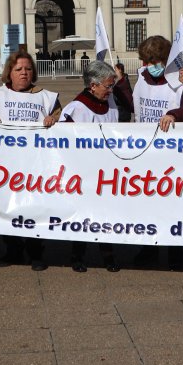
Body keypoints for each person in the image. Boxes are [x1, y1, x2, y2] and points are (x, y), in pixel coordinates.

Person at [131, 35, 183, 271]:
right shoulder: (140, 80)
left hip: (173, 152)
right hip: (148, 151)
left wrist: (174, 113)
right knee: (148, 204)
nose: (151, 65)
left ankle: (175, 251)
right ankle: (149, 247)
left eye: (155, 60)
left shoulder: (177, 81)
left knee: (173, 203)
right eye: (147, 60)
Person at [0, 50, 61, 270]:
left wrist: (53, 119)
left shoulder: (47, 97)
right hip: (6, 166)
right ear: (10, 72)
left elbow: (62, 121)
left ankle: (36, 252)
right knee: (8, 208)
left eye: (28, 69)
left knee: (34, 208)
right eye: (18, 69)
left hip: (36, 165)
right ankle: (13, 250)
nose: (24, 73)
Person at [60, 60, 121, 272]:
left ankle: (108, 254)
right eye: (107, 85)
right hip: (83, 173)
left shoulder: (111, 103)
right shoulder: (76, 109)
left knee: (105, 215)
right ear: (93, 85)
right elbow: (63, 143)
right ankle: (77, 255)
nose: (111, 90)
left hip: (107, 172)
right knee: (82, 214)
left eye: (112, 85)